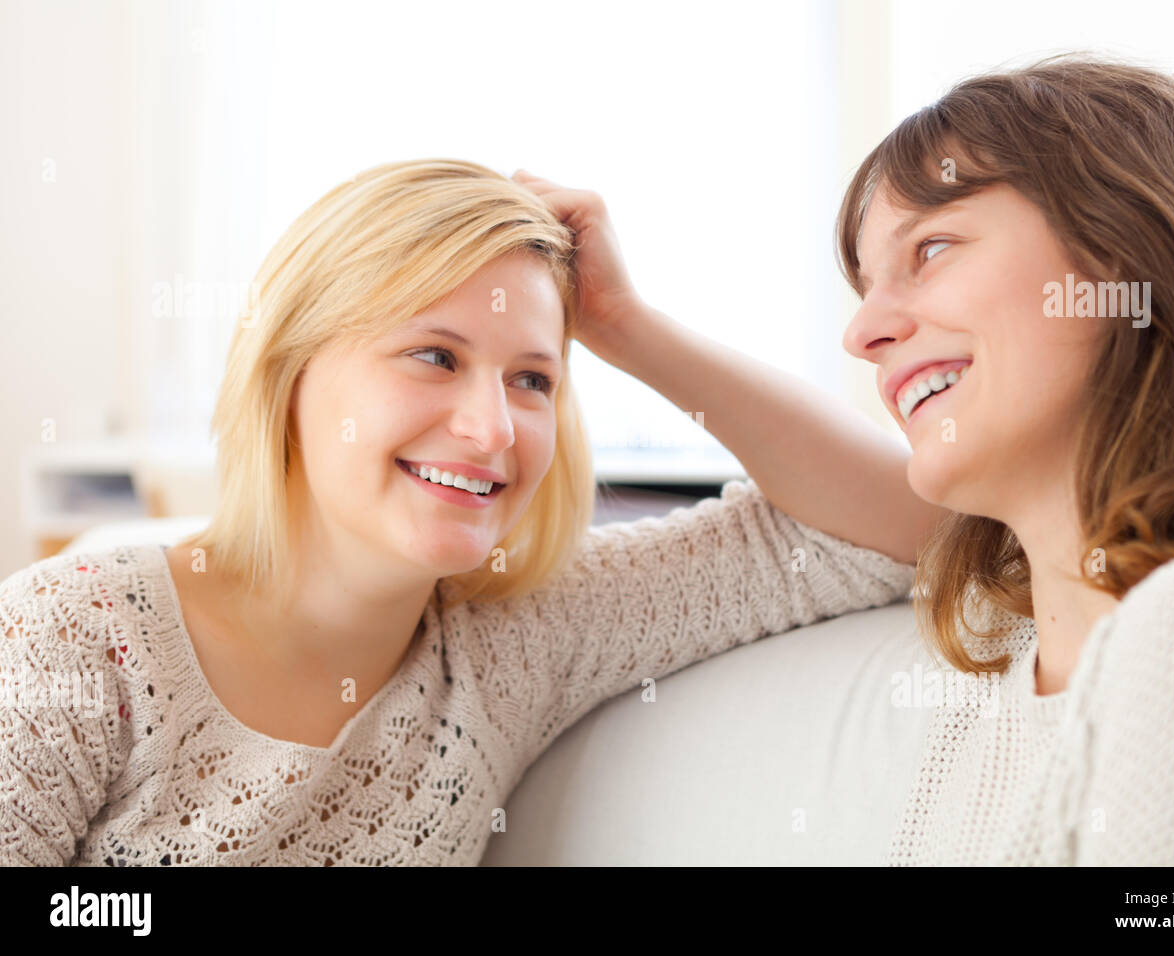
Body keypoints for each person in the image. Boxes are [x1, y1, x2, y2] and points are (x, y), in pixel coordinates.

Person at [0, 159, 921, 866]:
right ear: (292, 374)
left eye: (532, 379)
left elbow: (911, 530)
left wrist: (629, 325)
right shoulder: (76, 636)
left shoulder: (513, 643)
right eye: (433, 357)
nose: (491, 429)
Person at [515, 56, 1174, 865]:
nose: (862, 335)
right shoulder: (1000, 658)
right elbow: (867, 506)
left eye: (930, 249)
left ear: (1136, 244)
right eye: (865, 289)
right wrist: (620, 324)